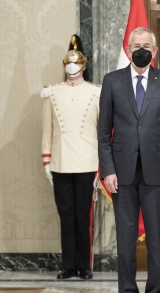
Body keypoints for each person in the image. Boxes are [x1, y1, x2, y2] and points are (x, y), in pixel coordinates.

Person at [98, 27, 160, 293]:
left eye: (146, 46)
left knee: (157, 241)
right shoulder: (112, 82)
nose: (141, 50)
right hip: (121, 175)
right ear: (127, 49)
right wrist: (107, 170)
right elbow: (103, 133)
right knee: (125, 241)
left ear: (155, 51)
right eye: (136, 45)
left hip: (157, 174)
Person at [41, 35, 100, 280]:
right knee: (65, 215)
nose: (72, 66)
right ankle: (68, 266)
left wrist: (101, 167)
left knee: (83, 215)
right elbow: (47, 130)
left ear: (84, 65)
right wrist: (46, 161)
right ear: (64, 65)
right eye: (68, 62)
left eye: (76, 62)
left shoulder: (97, 92)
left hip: (87, 162)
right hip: (61, 162)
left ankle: (84, 266)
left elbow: (102, 131)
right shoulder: (51, 94)